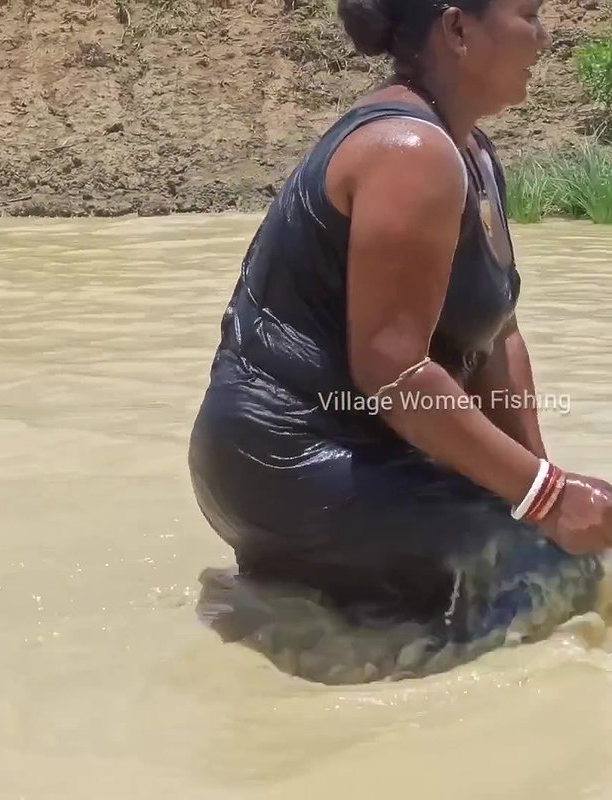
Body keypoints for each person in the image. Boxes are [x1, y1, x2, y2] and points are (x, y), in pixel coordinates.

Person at [187, 0, 612, 683]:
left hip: (357, 453)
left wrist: (536, 486)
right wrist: (549, 501)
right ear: (457, 29)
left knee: (546, 547)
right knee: (557, 581)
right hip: (287, 458)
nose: (544, 35)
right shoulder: (408, 153)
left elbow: (497, 331)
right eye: (528, 13)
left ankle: (316, 621)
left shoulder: (470, 151)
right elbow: (395, 372)